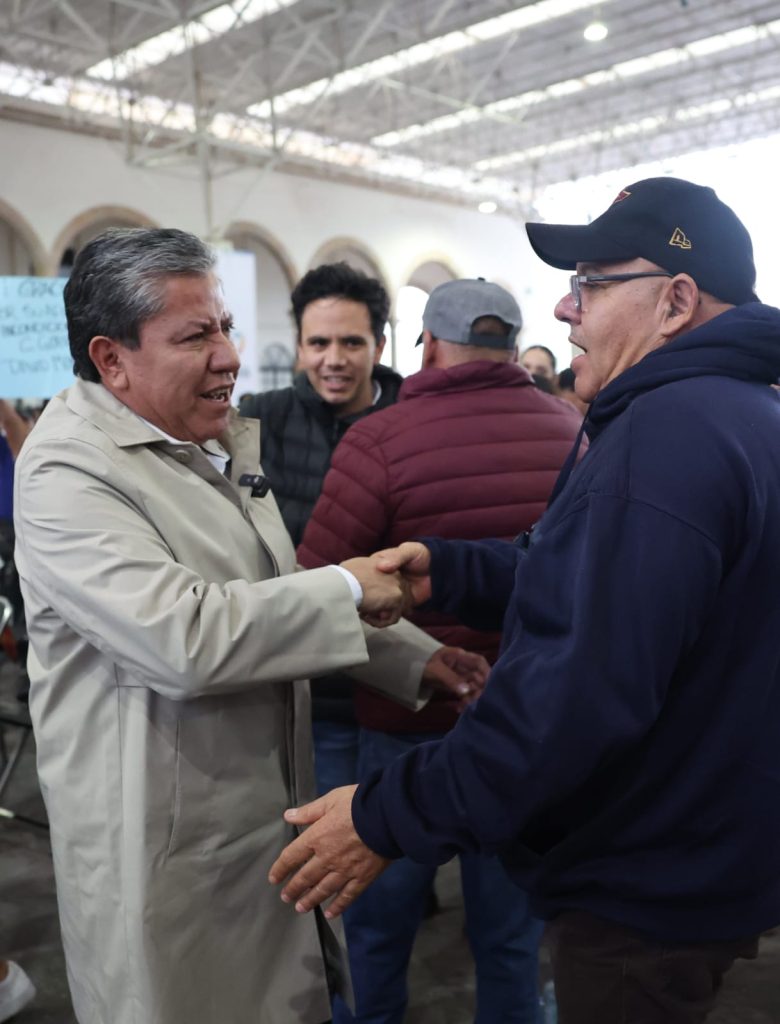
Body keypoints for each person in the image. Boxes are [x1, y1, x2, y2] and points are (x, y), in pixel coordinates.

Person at [270, 178, 780, 1024]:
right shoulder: (734, 413)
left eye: (592, 284)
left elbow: (576, 696)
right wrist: (454, 571)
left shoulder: (667, 438)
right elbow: (609, 586)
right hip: (703, 847)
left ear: (676, 301)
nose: (566, 308)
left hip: (644, 879)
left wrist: (386, 813)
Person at [12, 228, 487, 1024]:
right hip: (165, 846)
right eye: (195, 336)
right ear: (111, 359)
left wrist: (411, 656)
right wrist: (350, 584)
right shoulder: (70, 469)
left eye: (226, 327)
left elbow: (265, 596)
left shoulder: (205, 440)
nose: (229, 356)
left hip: (257, 814)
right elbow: (185, 636)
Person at [298, 278, 582, 1023]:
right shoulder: (572, 434)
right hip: (522, 734)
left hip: (406, 728)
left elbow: (315, 592)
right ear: (513, 347)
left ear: (425, 348)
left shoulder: (380, 440)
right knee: (512, 943)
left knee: (375, 934)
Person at [241, 263, 404, 796]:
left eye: (351, 342)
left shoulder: (411, 418)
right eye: (319, 343)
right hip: (302, 682)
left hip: (400, 682)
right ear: (299, 347)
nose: (334, 359)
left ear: (379, 346)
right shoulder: (257, 421)